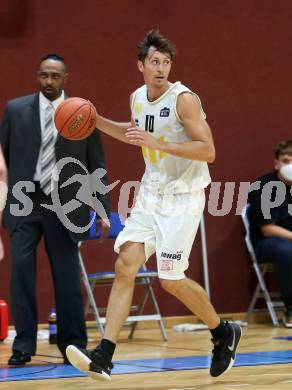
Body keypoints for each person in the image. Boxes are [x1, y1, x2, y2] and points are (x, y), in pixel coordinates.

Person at [66, 30, 241, 380]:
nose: (161, 68)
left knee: (170, 280)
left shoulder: (184, 100)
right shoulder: (137, 98)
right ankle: (105, 354)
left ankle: (223, 332)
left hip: (183, 198)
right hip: (151, 193)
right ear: (141, 66)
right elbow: (134, 133)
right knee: (125, 264)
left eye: (166, 62)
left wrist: (158, 144)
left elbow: (207, 150)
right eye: (154, 62)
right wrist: (96, 121)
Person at [0, 53, 110, 365]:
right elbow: (2, 161)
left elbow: (96, 165)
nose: (49, 81)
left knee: (67, 276)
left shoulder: (82, 113)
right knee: (21, 273)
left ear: (66, 79)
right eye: (44, 75)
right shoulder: (15, 109)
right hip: (24, 202)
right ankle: (22, 345)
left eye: (55, 76)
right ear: (38, 76)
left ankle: (72, 346)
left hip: (66, 204)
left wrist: (102, 209)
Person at [248, 140, 292, 328]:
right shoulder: (263, 186)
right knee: (286, 250)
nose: (290, 166)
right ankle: (291, 308)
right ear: (276, 164)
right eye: (286, 160)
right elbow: (268, 228)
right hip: (270, 243)